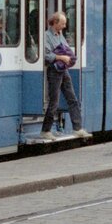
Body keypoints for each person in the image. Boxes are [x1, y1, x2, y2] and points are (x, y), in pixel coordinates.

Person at [41, 12, 87, 141]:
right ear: (55, 23)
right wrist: (62, 57)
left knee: (72, 98)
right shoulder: (46, 36)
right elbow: (46, 55)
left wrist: (69, 57)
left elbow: (64, 48)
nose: (65, 25)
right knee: (53, 101)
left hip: (63, 69)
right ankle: (46, 130)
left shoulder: (60, 34)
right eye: (63, 23)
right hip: (54, 71)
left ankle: (77, 128)